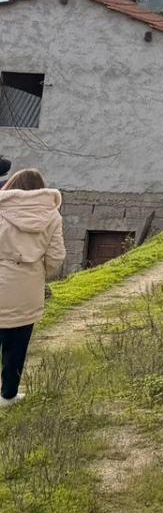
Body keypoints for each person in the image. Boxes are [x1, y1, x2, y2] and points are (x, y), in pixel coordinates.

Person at [0, 168, 64, 405]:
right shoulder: (52, 216)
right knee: (17, 345)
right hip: (27, 288)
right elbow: (56, 258)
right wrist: (35, 272)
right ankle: (8, 395)